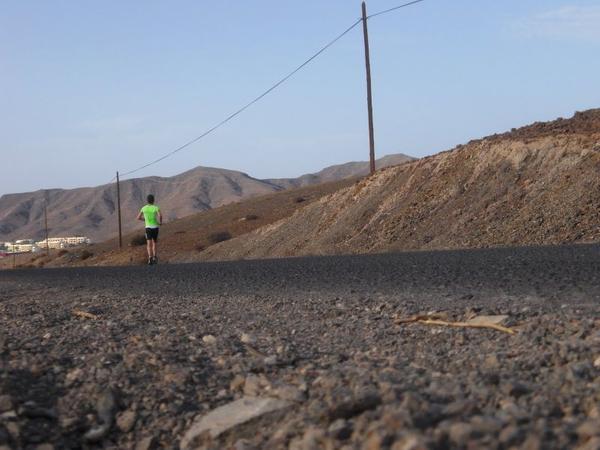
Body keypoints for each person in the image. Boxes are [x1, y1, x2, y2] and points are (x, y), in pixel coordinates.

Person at [137, 194, 163, 265]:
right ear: (153, 200)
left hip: (148, 227)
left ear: (147, 200)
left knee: (148, 244)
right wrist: (160, 222)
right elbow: (160, 215)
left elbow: (138, 217)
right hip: (155, 227)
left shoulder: (143, 208)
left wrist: (145, 220)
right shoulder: (156, 207)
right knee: (154, 243)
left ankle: (150, 258)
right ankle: (155, 257)